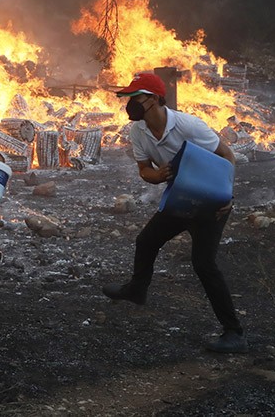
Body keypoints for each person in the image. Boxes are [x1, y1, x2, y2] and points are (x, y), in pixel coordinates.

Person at [100, 71, 249, 354]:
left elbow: (227, 155)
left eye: (135, 97)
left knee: (204, 264)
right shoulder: (138, 130)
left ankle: (235, 333)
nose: (128, 103)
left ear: (154, 99)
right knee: (146, 241)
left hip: (210, 201)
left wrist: (227, 195)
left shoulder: (189, 125)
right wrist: (154, 176)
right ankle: (137, 289)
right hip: (180, 197)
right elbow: (144, 169)